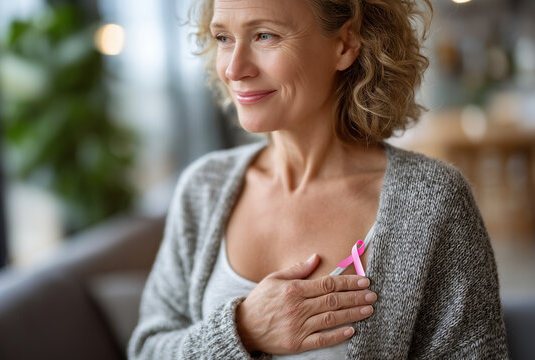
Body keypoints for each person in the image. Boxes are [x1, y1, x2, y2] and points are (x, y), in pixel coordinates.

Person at [129, 0, 509, 358]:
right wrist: (242, 329)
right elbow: (147, 348)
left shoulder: (432, 203)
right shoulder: (203, 188)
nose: (233, 68)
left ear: (344, 44)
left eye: (265, 35)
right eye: (224, 38)